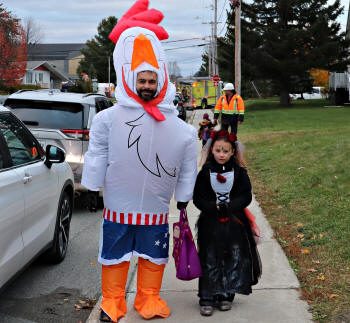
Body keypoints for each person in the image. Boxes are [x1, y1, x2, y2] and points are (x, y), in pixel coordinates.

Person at [81, 2, 198, 322]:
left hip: (156, 211)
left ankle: (148, 299)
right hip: (118, 206)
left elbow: (189, 164)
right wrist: (91, 186)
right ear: (131, 79)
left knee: (154, 256)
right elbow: (98, 153)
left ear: (161, 81)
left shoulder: (181, 129)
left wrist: (185, 197)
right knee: (114, 256)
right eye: (142, 80)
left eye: (152, 80)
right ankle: (112, 303)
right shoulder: (107, 119)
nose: (147, 85)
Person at [193, 130, 261, 317]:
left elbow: (245, 195)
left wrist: (230, 207)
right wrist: (212, 207)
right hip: (210, 223)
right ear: (211, 151)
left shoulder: (239, 173)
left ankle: (226, 295)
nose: (221, 154)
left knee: (232, 257)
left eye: (225, 151)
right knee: (210, 258)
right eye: (218, 150)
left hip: (235, 222)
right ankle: (207, 297)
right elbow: (198, 197)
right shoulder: (205, 173)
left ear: (232, 152)